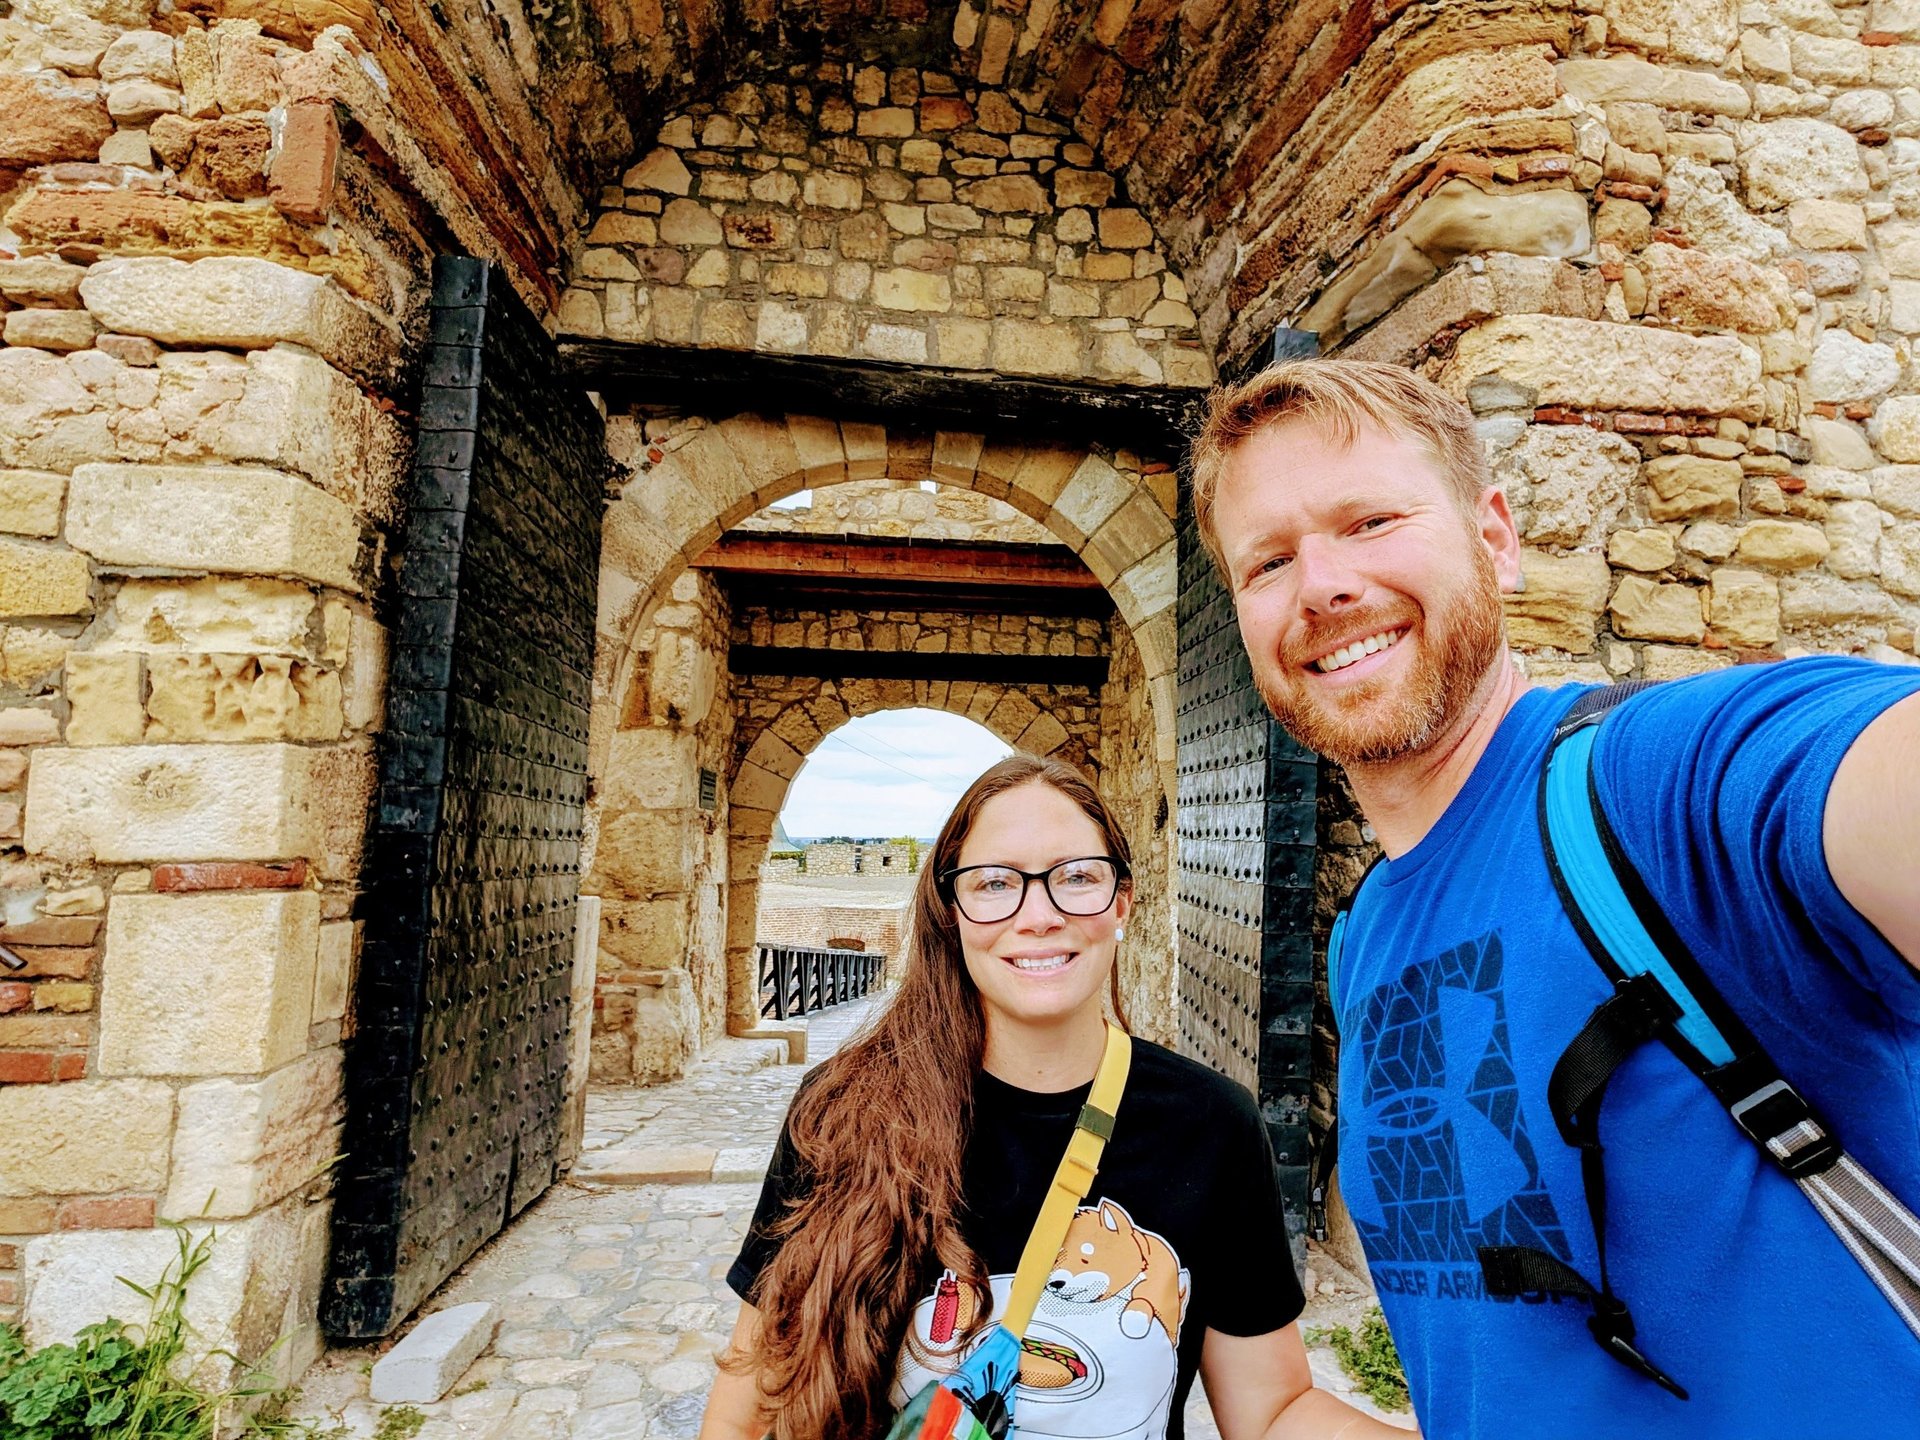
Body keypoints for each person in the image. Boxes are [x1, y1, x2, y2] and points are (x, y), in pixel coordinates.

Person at [1191, 357, 1920, 1438]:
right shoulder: (1368, 939)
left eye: (1372, 520)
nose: (1323, 586)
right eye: (1269, 562)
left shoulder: (1660, 786)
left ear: (1496, 538)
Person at [699, 753, 1411, 1440]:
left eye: (1076, 877)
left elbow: (1272, 1412)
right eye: (994, 883)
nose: (1038, 914)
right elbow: (751, 1400)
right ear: (951, 911)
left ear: (1122, 902)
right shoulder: (847, 1111)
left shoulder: (1211, 1126)